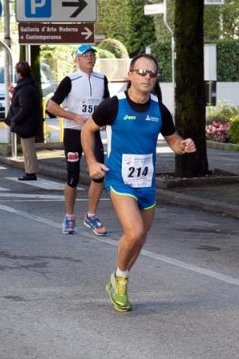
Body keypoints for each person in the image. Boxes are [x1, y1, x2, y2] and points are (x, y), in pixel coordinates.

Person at [81, 53, 196, 312]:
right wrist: (91, 162)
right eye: (141, 72)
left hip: (146, 183)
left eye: (151, 73)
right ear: (130, 75)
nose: (146, 77)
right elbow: (88, 130)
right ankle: (121, 280)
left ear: (156, 79)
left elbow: (174, 141)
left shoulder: (159, 109)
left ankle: (118, 277)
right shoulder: (113, 105)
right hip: (119, 179)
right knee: (134, 232)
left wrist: (184, 145)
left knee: (141, 238)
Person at [47, 45, 110, 236]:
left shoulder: (101, 79)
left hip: (92, 133)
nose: (89, 58)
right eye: (85, 56)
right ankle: (69, 215)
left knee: (98, 174)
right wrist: (73, 116)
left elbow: (106, 102)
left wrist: (105, 119)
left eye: (92, 55)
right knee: (72, 177)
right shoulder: (70, 80)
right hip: (73, 132)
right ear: (77, 59)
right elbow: (51, 106)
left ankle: (91, 215)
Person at [6, 61, 42, 181]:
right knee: (27, 148)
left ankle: (31, 172)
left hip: (26, 123)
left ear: (19, 73)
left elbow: (25, 107)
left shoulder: (24, 88)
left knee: (28, 149)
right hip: (30, 122)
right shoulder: (28, 85)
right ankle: (29, 170)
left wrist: (15, 120)